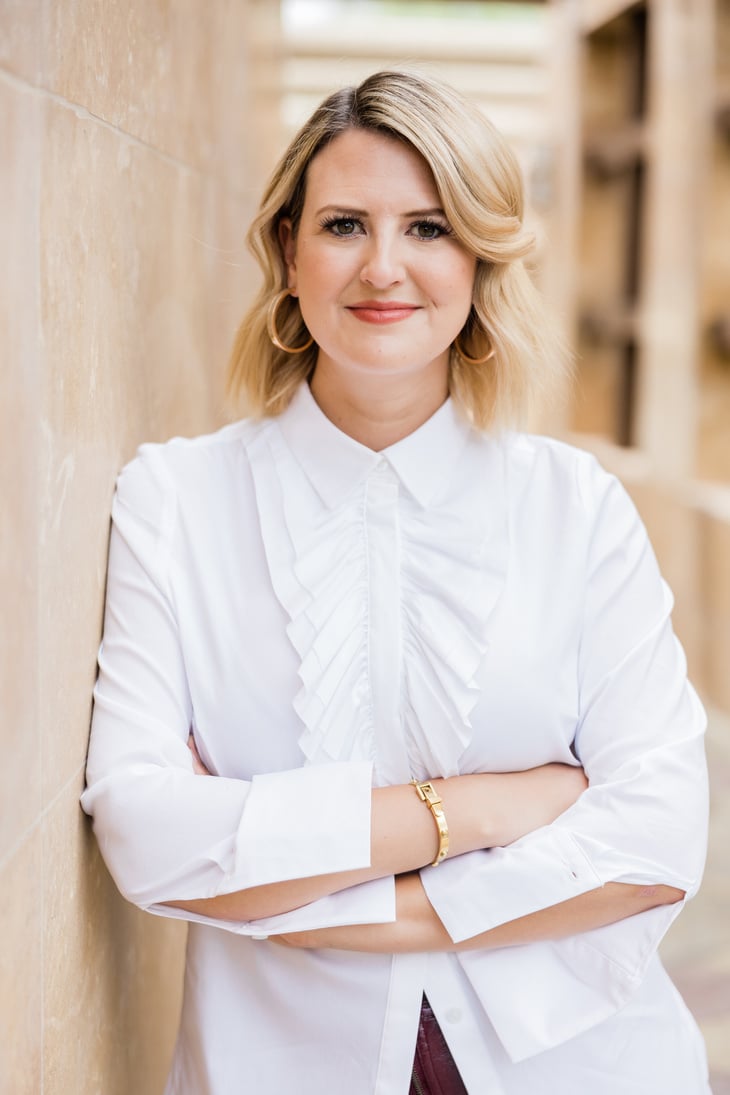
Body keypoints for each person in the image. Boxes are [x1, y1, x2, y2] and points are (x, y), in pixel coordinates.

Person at [81, 70, 710, 1094]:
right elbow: (147, 833)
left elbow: (654, 837)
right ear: (288, 250)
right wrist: (480, 809)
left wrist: (299, 898)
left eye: (427, 228)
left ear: (477, 259)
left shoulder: (576, 508)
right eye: (343, 225)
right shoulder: (176, 503)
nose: (384, 268)